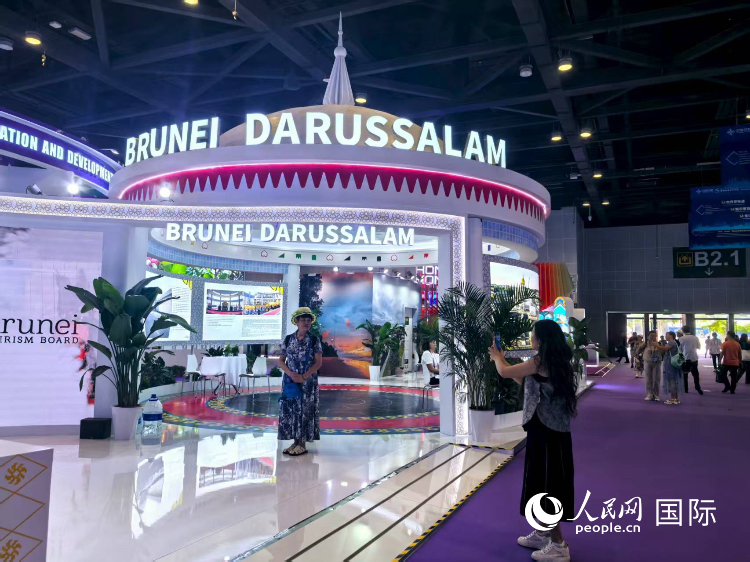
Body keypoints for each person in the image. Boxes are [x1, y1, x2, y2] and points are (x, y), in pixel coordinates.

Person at [488, 319, 577, 562]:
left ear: (541, 338)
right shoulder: (555, 361)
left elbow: (504, 372)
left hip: (547, 433)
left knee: (547, 485)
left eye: (533, 334)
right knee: (543, 480)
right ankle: (543, 532)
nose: (531, 337)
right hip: (550, 431)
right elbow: (526, 381)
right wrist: (503, 360)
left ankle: (558, 545)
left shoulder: (539, 361)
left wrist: (497, 358)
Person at [277, 307, 323, 456]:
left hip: (307, 382)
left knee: (305, 410)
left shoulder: (314, 340)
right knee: (291, 410)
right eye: (303, 320)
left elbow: (318, 363)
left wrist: (304, 376)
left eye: (308, 320)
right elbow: (281, 360)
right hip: (290, 381)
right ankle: (295, 442)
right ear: (296, 321)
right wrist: (290, 373)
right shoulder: (288, 339)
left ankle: (302, 443)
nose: (306, 322)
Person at [643, 331, 669, 401]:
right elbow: (638, 351)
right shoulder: (645, 344)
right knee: (648, 378)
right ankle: (649, 394)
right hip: (647, 362)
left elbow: (663, 352)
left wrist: (657, 346)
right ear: (648, 336)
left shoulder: (659, 343)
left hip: (657, 362)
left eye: (654, 336)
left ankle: (656, 394)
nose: (653, 337)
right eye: (651, 335)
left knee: (656, 379)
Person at [679, 325, 703, 395]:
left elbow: (680, 349)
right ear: (690, 330)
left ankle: (685, 389)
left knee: (684, 375)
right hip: (694, 358)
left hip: (685, 358)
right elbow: (699, 347)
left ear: (683, 331)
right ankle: (698, 387)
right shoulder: (695, 338)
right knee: (695, 374)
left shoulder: (681, 339)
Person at [662, 332, 683, 405]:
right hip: (672, 364)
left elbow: (664, 349)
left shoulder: (671, 343)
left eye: (667, 335)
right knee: (673, 380)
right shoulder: (674, 342)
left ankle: (673, 398)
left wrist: (656, 345)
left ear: (671, 336)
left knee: (672, 381)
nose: (665, 336)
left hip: (671, 364)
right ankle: (675, 398)